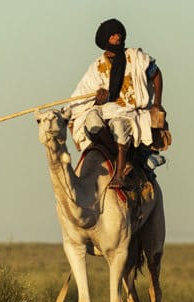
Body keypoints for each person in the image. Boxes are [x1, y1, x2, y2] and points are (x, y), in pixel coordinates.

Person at [68, 18, 165, 189]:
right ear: (106, 39)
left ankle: (120, 173)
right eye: (113, 35)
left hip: (130, 110)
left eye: (119, 33)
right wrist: (98, 99)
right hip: (106, 110)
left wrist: (157, 103)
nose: (117, 37)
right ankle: (116, 155)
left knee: (119, 125)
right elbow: (82, 95)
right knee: (91, 120)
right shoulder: (97, 67)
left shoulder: (135, 58)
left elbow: (156, 74)